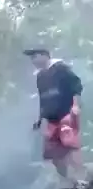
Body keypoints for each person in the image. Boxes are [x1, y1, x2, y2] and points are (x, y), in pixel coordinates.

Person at [25, 47, 84, 181]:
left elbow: (76, 86)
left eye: (35, 56)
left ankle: (82, 179)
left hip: (66, 114)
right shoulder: (40, 77)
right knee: (54, 155)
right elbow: (43, 99)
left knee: (70, 147)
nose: (33, 60)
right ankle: (70, 181)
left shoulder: (61, 69)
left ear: (44, 56)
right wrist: (40, 119)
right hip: (51, 119)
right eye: (32, 58)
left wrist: (75, 105)